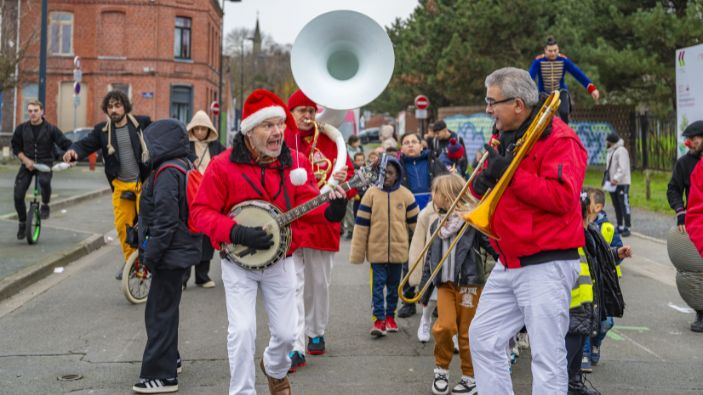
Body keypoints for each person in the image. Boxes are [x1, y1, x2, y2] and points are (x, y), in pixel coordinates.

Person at [190, 89, 347, 395]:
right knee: (243, 332)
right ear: (250, 131)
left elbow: (310, 205)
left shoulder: (292, 166)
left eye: (280, 125)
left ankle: (274, 368)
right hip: (239, 263)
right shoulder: (222, 166)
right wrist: (236, 232)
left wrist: (333, 209)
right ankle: (243, 391)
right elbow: (199, 213)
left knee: (288, 335)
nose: (278, 132)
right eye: (269, 126)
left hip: (282, 260)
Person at [467, 67, 588, 394]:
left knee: (547, 357)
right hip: (511, 258)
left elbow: (563, 198)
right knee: (483, 338)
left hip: (546, 262)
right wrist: (484, 182)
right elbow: (491, 194)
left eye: (492, 102)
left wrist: (509, 173)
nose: (488, 109)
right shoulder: (508, 136)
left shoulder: (560, 139)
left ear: (518, 104)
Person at [283, 89, 354, 373]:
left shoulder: (329, 139)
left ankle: (316, 330)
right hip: (292, 224)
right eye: (301, 110)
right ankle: (296, 344)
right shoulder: (281, 140)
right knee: (293, 285)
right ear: (291, 114)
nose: (307, 115)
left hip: (323, 223)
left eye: (311, 111)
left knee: (319, 283)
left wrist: (341, 182)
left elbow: (347, 172)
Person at [131, 119, 202, 394]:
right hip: (182, 252)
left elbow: (165, 221)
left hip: (170, 254)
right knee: (167, 310)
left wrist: (149, 257)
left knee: (159, 314)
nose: (145, 149)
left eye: (148, 142)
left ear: (160, 142)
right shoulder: (183, 164)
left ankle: (162, 375)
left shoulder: (166, 172)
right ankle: (171, 359)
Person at [419, 174, 496, 395]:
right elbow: (430, 260)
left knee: (466, 333)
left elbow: (491, 246)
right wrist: (424, 289)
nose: (433, 196)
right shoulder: (436, 224)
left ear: (448, 194)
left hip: (469, 284)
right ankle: (441, 370)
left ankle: (470, 377)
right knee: (445, 326)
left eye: (436, 192)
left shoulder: (472, 222)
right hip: (445, 284)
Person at [63, 90, 151, 279]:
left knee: (148, 225)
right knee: (122, 227)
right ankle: (132, 264)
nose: (114, 110)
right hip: (121, 185)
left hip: (142, 185)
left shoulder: (141, 124)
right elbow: (84, 145)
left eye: (117, 105)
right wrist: (73, 152)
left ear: (125, 106)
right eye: (110, 107)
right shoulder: (102, 131)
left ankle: (149, 259)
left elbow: (160, 139)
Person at [350, 156, 419, 336]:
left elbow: (417, 225)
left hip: (398, 252)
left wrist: (424, 245)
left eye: (391, 173)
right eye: (384, 172)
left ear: (397, 175)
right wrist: (358, 253)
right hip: (376, 252)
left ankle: (390, 317)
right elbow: (361, 226)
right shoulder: (371, 194)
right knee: (378, 286)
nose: (387, 176)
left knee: (394, 287)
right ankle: (378, 320)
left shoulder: (406, 195)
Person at [397, 132, 449, 318]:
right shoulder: (397, 167)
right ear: (401, 148)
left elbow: (446, 185)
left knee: (436, 260)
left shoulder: (434, 163)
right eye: (406, 143)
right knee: (409, 261)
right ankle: (408, 301)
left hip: (433, 217)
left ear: (421, 145)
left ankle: (435, 302)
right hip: (408, 219)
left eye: (414, 142)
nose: (410, 145)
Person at [581, 187, 631, 372]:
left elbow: (608, 254)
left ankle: (596, 343)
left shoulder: (607, 228)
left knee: (606, 322)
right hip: (586, 284)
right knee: (584, 318)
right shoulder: (579, 225)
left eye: (588, 200)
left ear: (598, 207)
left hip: (604, 284)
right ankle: (583, 355)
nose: (584, 203)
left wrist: (619, 252)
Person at [11, 100, 72, 238]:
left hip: (45, 162)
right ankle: (22, 222)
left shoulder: (51, 129)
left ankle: (45, 204)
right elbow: (16, 147)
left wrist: (72, 157)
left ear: (42, 111)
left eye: (36, 110)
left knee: (44, 182)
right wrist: (26, 160)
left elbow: (65, 143)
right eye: (30, 111)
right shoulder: (22, 128)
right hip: (27, 164)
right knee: (18, 195)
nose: (32, 113)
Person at [181, 110, 225, 289]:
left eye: (203, 129)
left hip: (210, 195)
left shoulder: (217, 147)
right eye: (197, 128)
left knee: (207, 236)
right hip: (189, 194)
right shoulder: (184, 146)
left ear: (209, 130)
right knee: (187, 236)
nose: (200, 132)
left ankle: (202, 276)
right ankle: (183, 278)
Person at [528, 36, 600, 123]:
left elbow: (578, 74)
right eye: (550, 51)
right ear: (545, 50)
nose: (553, 53)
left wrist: (592, 89)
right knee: (542, 118)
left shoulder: (563, 60)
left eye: (555, 50)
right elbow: (530, 77)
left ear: (558, 49)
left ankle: (566, 132)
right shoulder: (538, 61)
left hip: (560, 92)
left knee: (564, 112)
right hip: (544, 94)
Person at [668, 121, 703, 233]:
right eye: (689, 139)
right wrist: (680, 211)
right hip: (697, 223)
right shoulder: (683, 163)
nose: (689, 143)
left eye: (694, 139)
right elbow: (673, 190)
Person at [604, 132, 632, 237]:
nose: (606, 143)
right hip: (613, 184)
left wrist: (616, 178)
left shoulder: (621, 151)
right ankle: (620, 225)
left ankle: (627, 227)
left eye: (608, 141)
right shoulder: (611, 151)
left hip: (622, 183)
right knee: (616, 205)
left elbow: (622, 167)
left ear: (611, 141)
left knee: (624, 204)